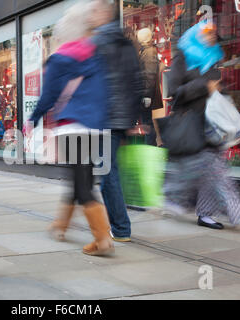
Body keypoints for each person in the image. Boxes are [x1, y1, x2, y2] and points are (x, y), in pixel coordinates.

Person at [27, 1, 114, 256]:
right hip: (94, 128)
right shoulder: (95, 57)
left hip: (71, 128)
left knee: (82, 184)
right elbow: (103, 94)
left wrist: (32, 119)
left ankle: (102, 238)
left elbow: (48, 96)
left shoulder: (60, 58)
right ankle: (60, 225)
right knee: (80, 180)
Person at [163, 21, 240, 229]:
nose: (211, 37)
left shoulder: (212, 58)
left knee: (212, 171)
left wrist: (225, 101)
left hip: (212, 125)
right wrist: (203, 86)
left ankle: (204, 212)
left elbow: (217, 89)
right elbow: (174, 91)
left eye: (213, 34)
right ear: (196, 35)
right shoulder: (182, 57)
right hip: (191, 123)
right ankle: (228, 211)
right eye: (207, 34)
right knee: (205, 172)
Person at [88, 0, 144, 242]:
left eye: (94, 11)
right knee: (108, 171)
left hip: (104, 118)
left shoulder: (97, 42)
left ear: (103, 13)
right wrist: (134, 117)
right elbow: (138, 81)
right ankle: (118, 225)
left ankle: (121, 229)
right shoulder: (126, 42)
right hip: (121, 118)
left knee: (107, 174)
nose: (91, 16)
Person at [137, 27, 164, 146]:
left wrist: (147, 95)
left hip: (146, 93)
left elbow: (150, 73)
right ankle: (150, 145)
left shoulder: (148, 52)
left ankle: (150, 146)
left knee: (147, 122)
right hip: (145, 92)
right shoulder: (146, 50)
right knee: (147, 121)